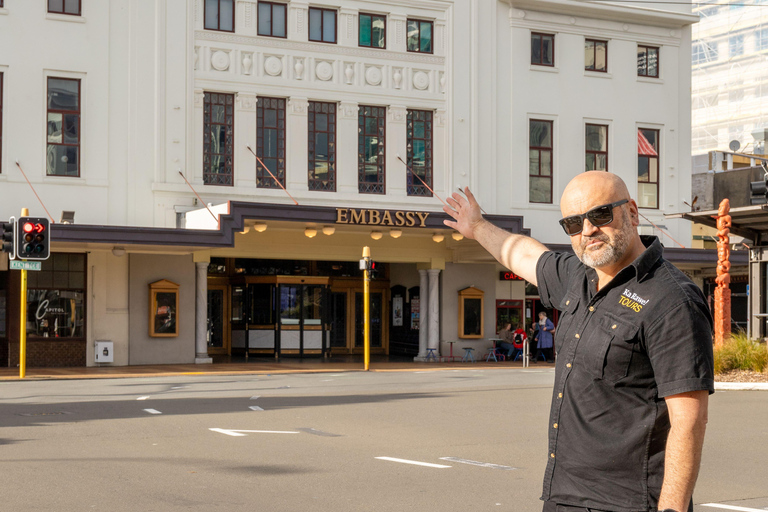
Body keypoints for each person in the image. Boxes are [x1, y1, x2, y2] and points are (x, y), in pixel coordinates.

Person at [443, 171, 713, 512]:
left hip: (626, 503)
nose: (587, 230)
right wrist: (477, 226)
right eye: (573, 223)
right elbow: (526, 254)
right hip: (563, 498)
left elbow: (689, 421)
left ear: (631, 212)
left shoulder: (672, 300)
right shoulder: (577, 276)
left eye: (600, 215)